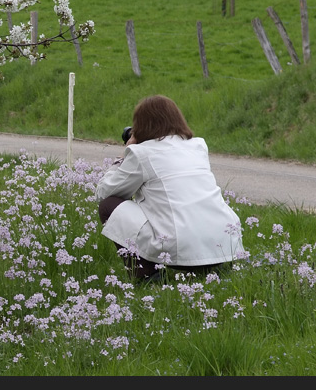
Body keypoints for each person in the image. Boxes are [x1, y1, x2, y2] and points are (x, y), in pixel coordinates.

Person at [96, 95, 244, 282]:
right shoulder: (198, 146)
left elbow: (104, 192)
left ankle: (148, 276)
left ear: (140, 125)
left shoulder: (141, 153)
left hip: (180, 251)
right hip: (225, 245)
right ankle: (215, 268)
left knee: (109, 205)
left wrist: (124, 154)